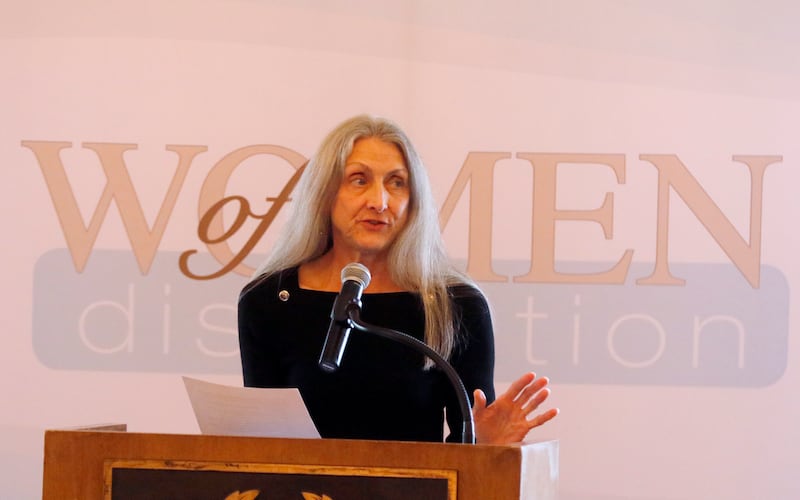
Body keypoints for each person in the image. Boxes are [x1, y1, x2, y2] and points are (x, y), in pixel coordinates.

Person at [238, 114, 558, 444]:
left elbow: (467, 455)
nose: (379, 202)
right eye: (359, 180)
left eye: (397, 182)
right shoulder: (268, 300)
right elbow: (265, 447)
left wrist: (484, 446)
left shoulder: (455, 304)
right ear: (325, 193)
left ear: (414, 200)